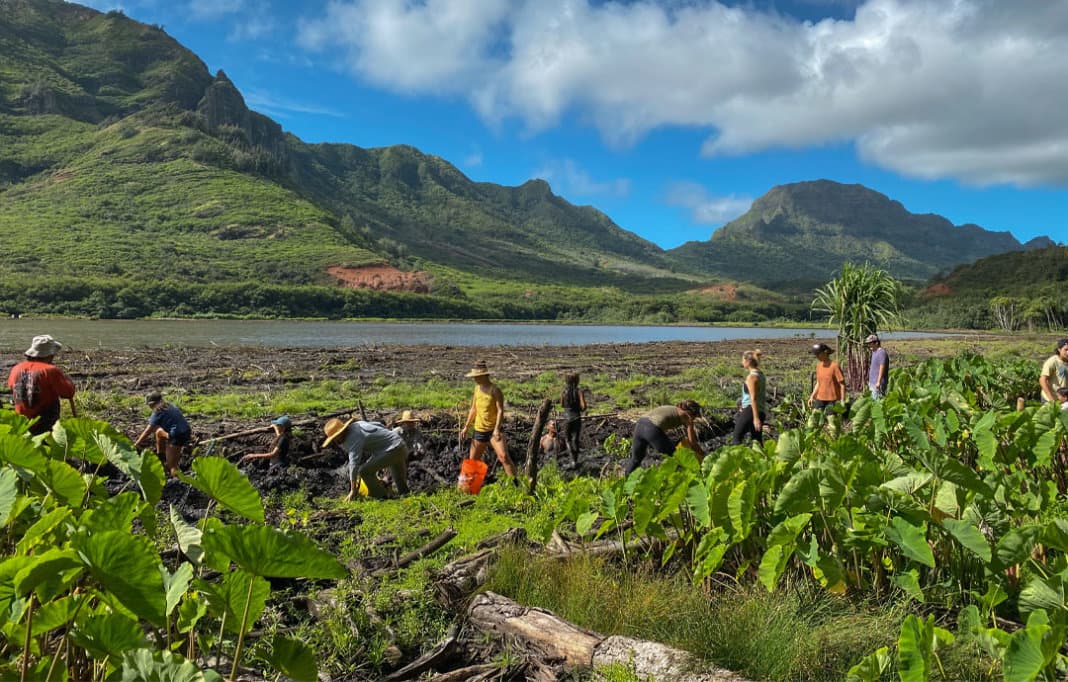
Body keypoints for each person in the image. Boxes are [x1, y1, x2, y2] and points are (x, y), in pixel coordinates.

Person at [323, 417, 409, 501]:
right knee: (399, 480)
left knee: (364, 471)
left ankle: (382, 497)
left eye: (335, 438)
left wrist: (353, 490)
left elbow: (354, 463)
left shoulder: (352, 438)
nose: (335, 441)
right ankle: (406, 496)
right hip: (400, 445)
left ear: (341, 433)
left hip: (392, 450)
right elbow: (379, 425)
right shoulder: (357, 424)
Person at [7, 334, 77, 435]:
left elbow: (11, 387)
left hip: (22, 423)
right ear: (49, 355)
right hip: (44, 424)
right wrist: (67, 380)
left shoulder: (16, 369)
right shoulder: (50, 370)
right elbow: (68, 393)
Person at [460, 360, 516, 478]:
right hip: (480, 430)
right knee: (473, 461)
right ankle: (468, 490)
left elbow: (500, 410)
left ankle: (517, 485)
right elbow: (473, 409)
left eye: (477, 376)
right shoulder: (476, 389)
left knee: (504, 457)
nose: (475, 379)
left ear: (484, 375)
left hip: (493, 430)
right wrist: (466, 427)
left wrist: (497, 429)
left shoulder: (495, 390)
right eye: (474, 377)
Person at [624, 400, 703, 475]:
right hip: (651, 428)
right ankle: (676, 483)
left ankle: (625, 482)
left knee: (636, 459)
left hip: (640, 425)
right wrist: (703, 455)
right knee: (676, 458)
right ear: (691, 413)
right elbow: (693, 443)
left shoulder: (673, 409)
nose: (694, 419)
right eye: (695, 417)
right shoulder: (687, 416)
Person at [134, 392, 192, 477]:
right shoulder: (169, 406)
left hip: (176, 436)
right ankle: (161, 456)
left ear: (152, 404)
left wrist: (136, 444)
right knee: (158, 432)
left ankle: (177, 483)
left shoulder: (157, 411)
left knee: (172, 466)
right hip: (186, 431)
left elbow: (147, 431)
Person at [733, 349, 766, 444]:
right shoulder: (761, 374)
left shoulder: (752, 377)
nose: (741, 362)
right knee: (757, 441)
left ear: (748, 361)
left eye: (742, 360)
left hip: (751, 410)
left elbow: (753, 398)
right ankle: (761, 458)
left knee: (736, 437)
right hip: (760, 410)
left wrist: (755, 418)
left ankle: (738, 458)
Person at [560, 372, 587, 462]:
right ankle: (575, 460)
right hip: (576, 417)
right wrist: (578, 409)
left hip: (567, 418)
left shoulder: (564, 392)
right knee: (575, 439)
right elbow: (584, 407)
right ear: (577, 381)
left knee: (567, 439)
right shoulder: (579, 391)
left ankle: (572, 460)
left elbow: (562, 404)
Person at [808, 343, 845, 410]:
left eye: (818, 354)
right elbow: (819, 383)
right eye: (816, 354)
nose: (817, 356)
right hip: (820, 398)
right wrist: (812, 396)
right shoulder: (819, 366)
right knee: (816, 417)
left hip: (833, 400)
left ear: (825, 353)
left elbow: (842, 384)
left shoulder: (834, 366)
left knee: (830, 418)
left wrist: (842, 400)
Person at [1039, 339, 1068, 403]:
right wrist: (1051, 399)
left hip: (1064, 399)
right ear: (1059, 349)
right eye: (1066, 350)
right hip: (1050, 399)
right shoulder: (1052, 361)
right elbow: (1042, 380)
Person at [866, 334, 890, 399]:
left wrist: (878, 382)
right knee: (873, 401)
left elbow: (882, 367)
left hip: (877, 383)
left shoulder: (881, 353)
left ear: (876, 343)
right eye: (868, 344)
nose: (869, 345)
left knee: (877, 402)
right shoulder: (874, 352)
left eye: (870, 343)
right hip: (872, 382)